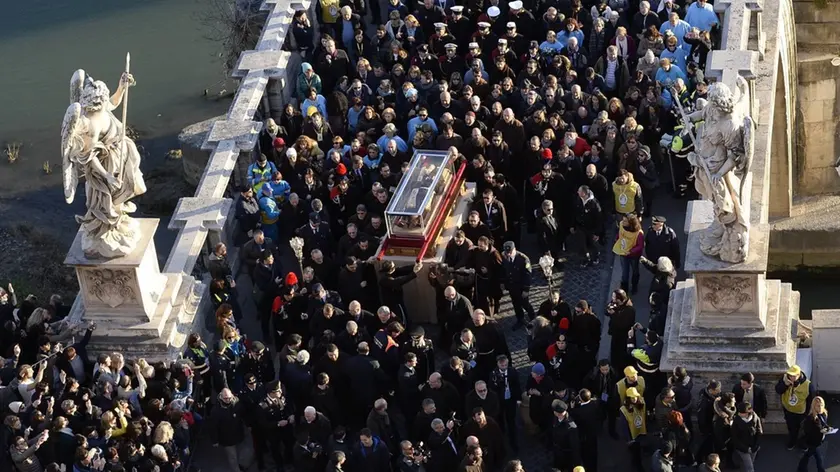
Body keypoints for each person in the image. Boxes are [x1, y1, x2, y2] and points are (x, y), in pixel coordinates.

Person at [776, 364, 816, 450]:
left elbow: (811, 400)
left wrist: (807, 413)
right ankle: (792, 441)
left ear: (799, 375)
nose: (791, 377)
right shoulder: (785, 380)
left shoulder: (808, 385)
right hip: (788, 410)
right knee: (791, 428)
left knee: (802, 430)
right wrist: (785, 384)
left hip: (801, 412)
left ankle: (802, 443)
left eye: (793, 376)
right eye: (790, 375)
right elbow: (778, 390)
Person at [500, 241, 535, 329]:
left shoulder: (523, 259)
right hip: (512, 286)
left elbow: (528, 275)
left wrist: (526, 289)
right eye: (506, 252)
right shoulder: (504, 256)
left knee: (525, 303)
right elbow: (503, 270)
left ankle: (534, 319)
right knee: (516, 304)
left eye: (510, 252)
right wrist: (503, 282)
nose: (508, 254)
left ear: (514, 249)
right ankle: (520, 319)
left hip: (521, 286)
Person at [613, 213, 644, 294]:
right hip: (623, 253)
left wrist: (630, 252)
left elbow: (640, 246)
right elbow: (620, 234)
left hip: (634, 255)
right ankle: (624, 289)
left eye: (625, 221)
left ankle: (634, 286)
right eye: (623, 220)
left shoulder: (639, 233)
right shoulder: (621, 225)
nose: (623, 222)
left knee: (635, 271)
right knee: (624, 273)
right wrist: (617, 239)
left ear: (631, 223)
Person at [618, 386, 647, 472]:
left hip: (641, 431)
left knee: (639, 448)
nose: (634, 399)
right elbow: (623, 426)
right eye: (632, 397)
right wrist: (628, 439)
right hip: (632, 435)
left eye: (635, 397)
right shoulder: (623, 410)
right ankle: (637, 467)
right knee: (635, 453)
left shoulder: (641, 403)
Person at [798, 396, 830, 472]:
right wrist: (821, 431)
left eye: (822, 405)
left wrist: (828, 428)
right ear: (814, 406)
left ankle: (801, 469)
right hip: (813, 442)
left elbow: (824, 424)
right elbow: (808, 432)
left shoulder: (823, 414)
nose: (820, 407)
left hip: (819, 441)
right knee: (818, 458)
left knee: (808, 455)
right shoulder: (810, 418)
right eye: (818, 406)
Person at [730, 401, 762, 472]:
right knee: (750, 467)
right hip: (743, 448)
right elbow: (735, 437)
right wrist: (745, 448)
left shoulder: (755, 418)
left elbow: (759, 432)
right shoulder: (736, 421)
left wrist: (756, 445)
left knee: (750, 462)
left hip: (753, 447)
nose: (739, 414)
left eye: (742, 413)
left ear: (748, 413)